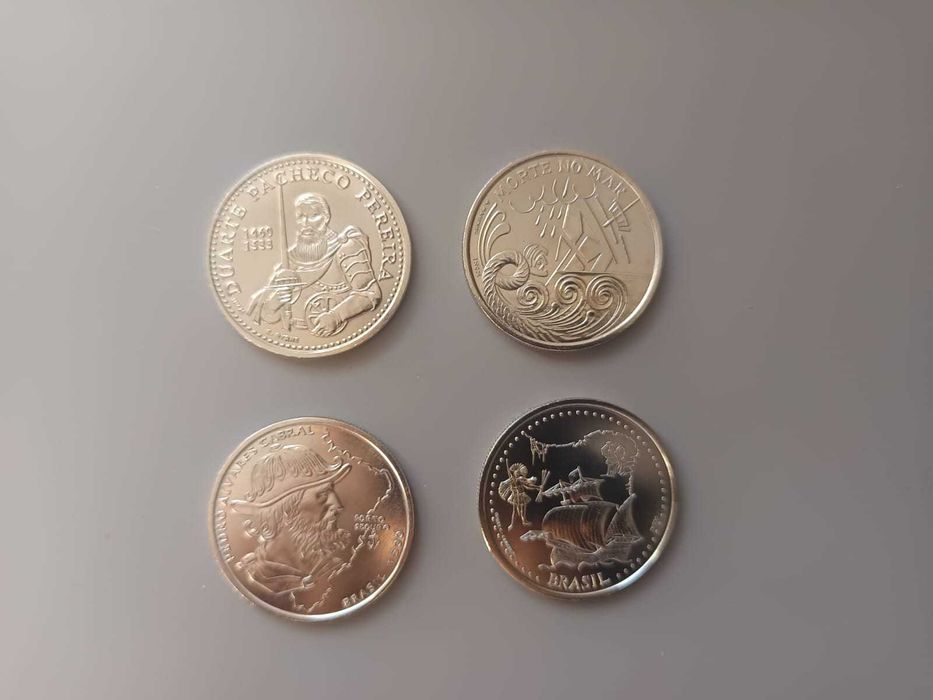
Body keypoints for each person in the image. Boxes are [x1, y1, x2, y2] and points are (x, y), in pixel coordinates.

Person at [230, 443, 352, 606]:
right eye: (322, 494)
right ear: (285, 511)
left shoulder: (334, 568)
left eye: (331, 492)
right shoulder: (259, 577)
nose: (338, 505)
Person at [247, 192, 381, 335]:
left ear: (326, 217)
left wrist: (336, 316)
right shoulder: (289, 259)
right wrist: (275, 302)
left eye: (313, 216)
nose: (305, 223)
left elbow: (369, 293)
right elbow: (267, 314)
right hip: (294, 337)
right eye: (300, 216)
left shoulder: (346, 247)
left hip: (336, 333)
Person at [498, 462, 538, 530]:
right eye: (516, 473)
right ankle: (512, 523)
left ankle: (524, 521)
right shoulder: (511, 480)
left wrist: (536, 487)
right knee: (515, 511)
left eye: (518, 473)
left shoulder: (521, 479)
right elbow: (527, 484)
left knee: (523, 509)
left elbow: (527, 485)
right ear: (514, 473)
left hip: (522, 495)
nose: (517, 474)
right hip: (515, 496)